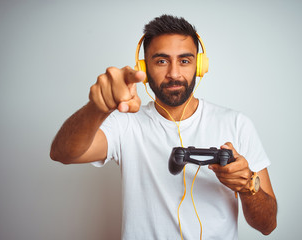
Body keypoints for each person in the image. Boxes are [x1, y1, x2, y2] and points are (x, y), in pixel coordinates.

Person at [50, 14, 277, 239]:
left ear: (200, 66)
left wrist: (248, 186)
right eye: (161, 61)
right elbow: (62, 153)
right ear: (144, 68)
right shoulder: (125, 123)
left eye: (185, 60)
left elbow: (267, 225)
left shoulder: (237, 124)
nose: (174, 73)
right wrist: (98, 107)